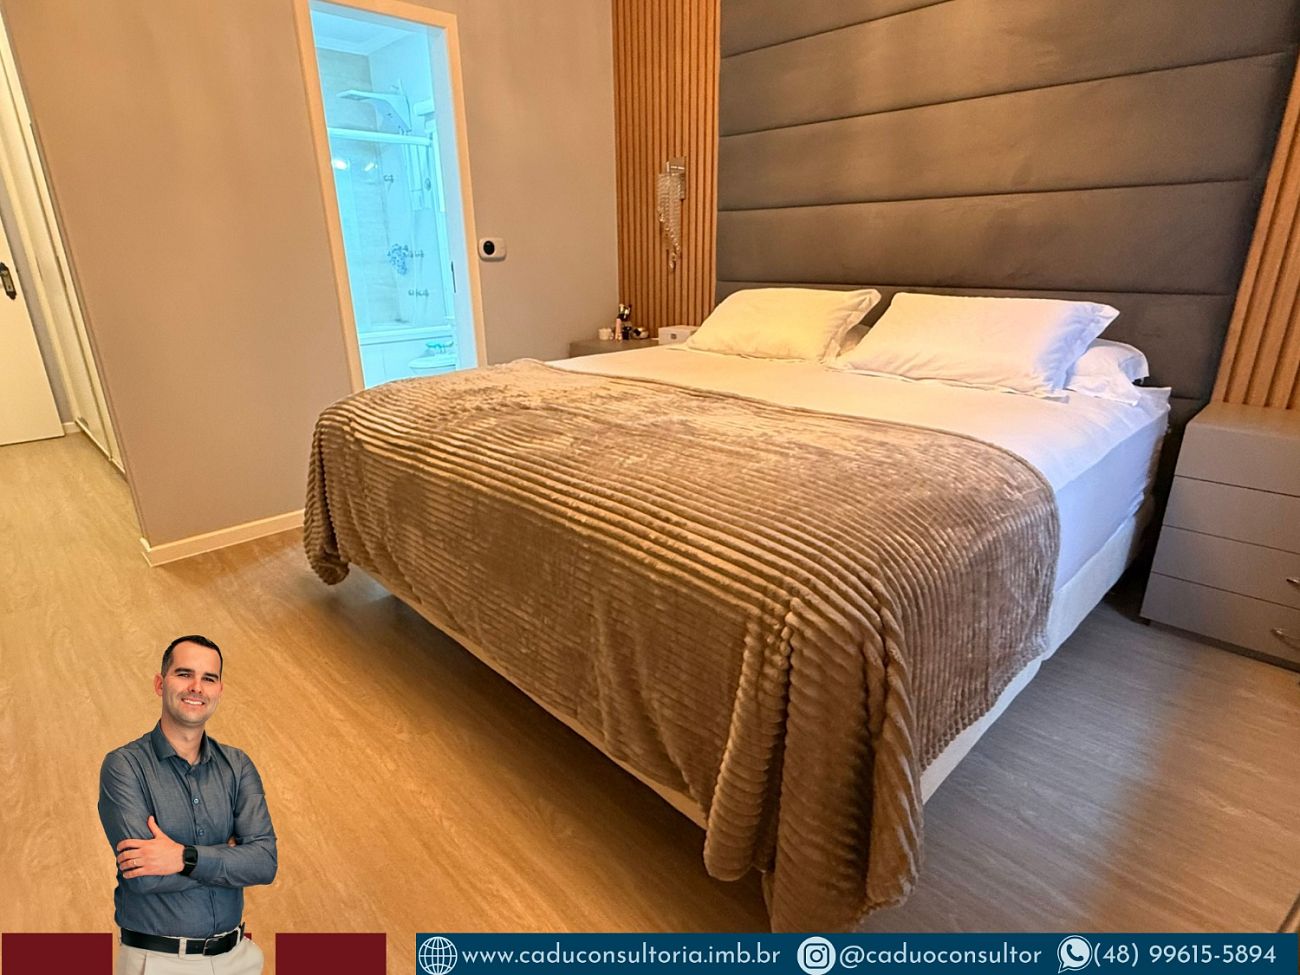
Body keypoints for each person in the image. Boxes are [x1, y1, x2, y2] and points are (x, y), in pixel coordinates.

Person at [98, 635, 276, 974]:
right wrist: (229, 858)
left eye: (208, 678)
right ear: (159, 683)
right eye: (184, 674)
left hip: (238, 958)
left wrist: (182, 857)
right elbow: (144, 878)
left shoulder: (238, 765)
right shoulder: (124, 766)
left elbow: (264, 863)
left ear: (219, 690)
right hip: (160, 962)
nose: (197, 687)